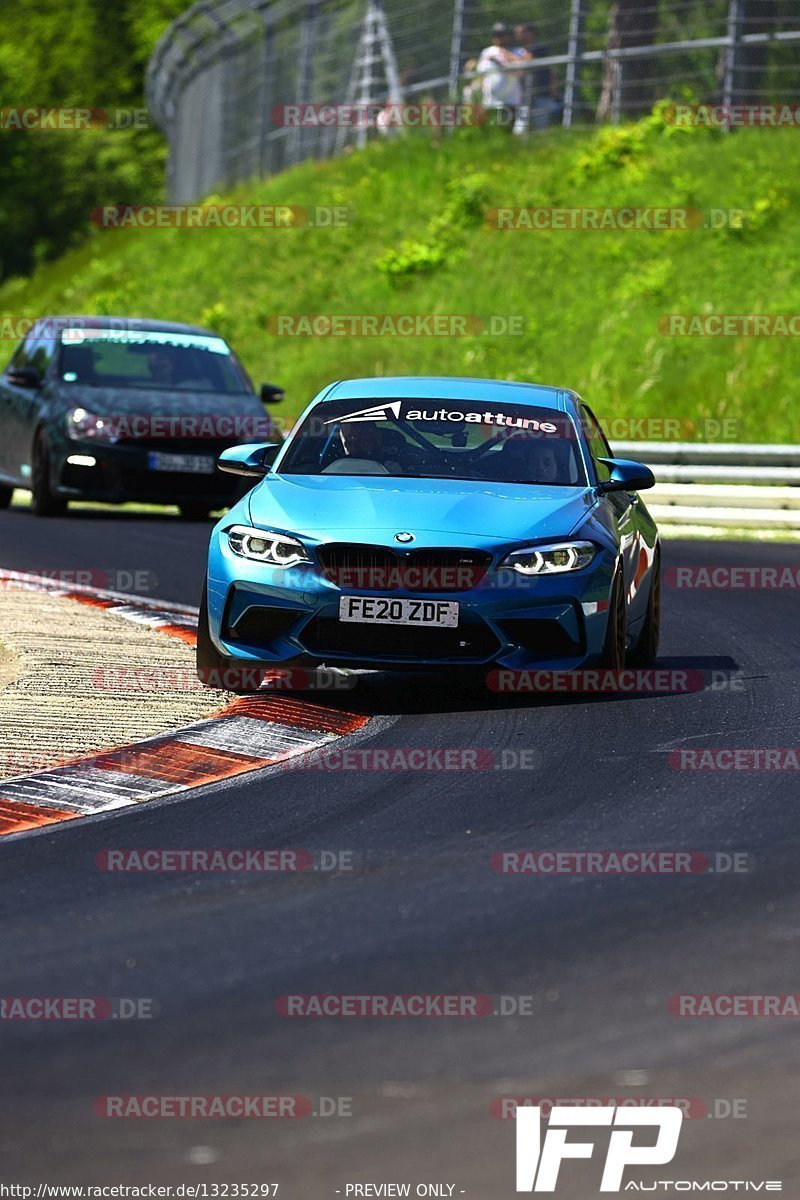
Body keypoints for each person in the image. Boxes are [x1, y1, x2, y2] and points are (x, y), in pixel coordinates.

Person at [475, 23, 529, 131]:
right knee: (489, 132)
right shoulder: (487, 52)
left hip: (510, 101)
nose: (499, 38)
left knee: (505, 131)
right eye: (496, 35)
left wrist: (504, 59)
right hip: (490, 102)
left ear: (509, 36)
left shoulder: (518, 52)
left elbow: (522, 72)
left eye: (502, 34)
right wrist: (482, 96)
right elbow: (481, 74)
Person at [512, 22, 562, 134]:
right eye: (516, 33)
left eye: (521, 32)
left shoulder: (539, 48)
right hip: (525, 96)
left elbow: (528, 60)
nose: (517, 35)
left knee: (540, 128)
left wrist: (505, 55)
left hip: (541, 95)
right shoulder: (518, 51)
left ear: (531, 33)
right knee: (520, 130)